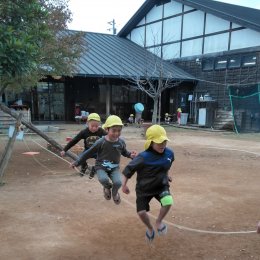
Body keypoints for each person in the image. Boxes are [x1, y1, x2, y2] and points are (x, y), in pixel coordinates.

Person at [122, 124, 174, 243]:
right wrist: (124, 185)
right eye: (159, 142)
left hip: (161, 185)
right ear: (151, 142)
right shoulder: (143, 157)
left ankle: (158, 222)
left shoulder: (169, 153)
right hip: (144, 189)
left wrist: (166, 175)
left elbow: (167, 165)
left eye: (164, 141)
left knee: (168, 201)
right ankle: (150, 228)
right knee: (141, 212)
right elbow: (128, 170)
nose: (163, 145)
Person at [71, 115, 137, 204]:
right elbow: (88, 153)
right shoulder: (101, 142)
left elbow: (124, 152)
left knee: (118, 183)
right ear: (106, 129)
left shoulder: (121, 142)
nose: (116, 133)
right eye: (114, 130)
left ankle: (114, 193)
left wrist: (130, 155)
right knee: (103, 180)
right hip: (101, 167)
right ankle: (107, 187)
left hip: (114, 168)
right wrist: (77, 162)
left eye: (119, 130)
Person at [61, 113, 106, 177]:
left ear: (99, 125)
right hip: (88, 150)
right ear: (87, 123)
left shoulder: (101, 131)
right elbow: (74, 141)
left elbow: (110, 138)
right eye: (92, 126)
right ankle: (84, 166)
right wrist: (64, 150)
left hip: (98, 151)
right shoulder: (84, 132)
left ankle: (96, 168)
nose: (94, 128)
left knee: (105, 158)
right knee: (80, 158)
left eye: (96, 126)